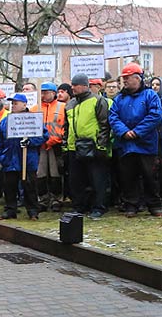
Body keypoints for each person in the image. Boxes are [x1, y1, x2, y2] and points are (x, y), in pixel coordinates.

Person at [109, 62, 162, 217]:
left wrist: (137, 132)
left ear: (138, 78)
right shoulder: (119, 99)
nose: (125, 81)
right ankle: (131, 205)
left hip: (146, 144)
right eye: (123, 78)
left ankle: (154, 204)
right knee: (128, 176)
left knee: (150, 176)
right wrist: (124, 131)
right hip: (126, 145)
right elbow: (113, 117)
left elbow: (155, 116)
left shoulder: (150, 95)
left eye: (128, 77)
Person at [0, 93, 48, 220]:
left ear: (24, 104)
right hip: (9, 159)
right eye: (12, 103)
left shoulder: (33, 119)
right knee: (9, 186)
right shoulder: (6, 121)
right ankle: (10, 209)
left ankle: (33, 210)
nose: (13, 106)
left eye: (16, 103)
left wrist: (30, 142)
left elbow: (44, 136)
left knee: (30, 186)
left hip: (28, 159)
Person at [64, 73, 111, 219]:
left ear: (85, 85)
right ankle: (79, 207)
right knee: (76, 180)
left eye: (75, 85)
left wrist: (101, 146)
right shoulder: (70, 104)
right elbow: (67, 127)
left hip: (93, 146)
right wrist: (65, 145)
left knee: (97, 179)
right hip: (74, 147)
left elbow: (105, 125)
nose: (72, 88)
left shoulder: (98, 101)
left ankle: (99, 207)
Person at [37, 82, 66, 212]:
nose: (43, 94)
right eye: (42, 92)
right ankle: (43, 199)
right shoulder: (35, 108)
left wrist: (55, 140)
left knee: (56, 174)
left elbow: (66, 126)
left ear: (53, 93)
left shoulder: (62, 107)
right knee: (40, 174)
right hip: (40, 145)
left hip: (56, 145)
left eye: (46, 92)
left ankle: (56, 199)